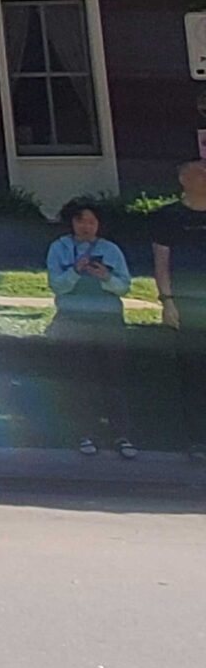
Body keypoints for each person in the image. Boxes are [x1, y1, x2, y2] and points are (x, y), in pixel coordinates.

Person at [46, 199, 136, 457]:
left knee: (113, 379)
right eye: (81, 221)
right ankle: (85, 434)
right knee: (79, 378)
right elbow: (57, 285)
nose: (86, 227)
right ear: (71, 222)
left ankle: (122, 436)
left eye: (92, 222)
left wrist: (105, 277)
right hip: (73, 321)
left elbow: (124, 286)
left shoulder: (111, 250)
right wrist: (76, 270)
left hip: (108, 322)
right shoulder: (59, 248)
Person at [148, 159, 206, 463]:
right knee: (194, 373)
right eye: (202, 173)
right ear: (185, 180)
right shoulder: (169, 217)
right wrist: (167, 300)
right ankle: (198, 440)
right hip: (188, 305)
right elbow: (161, 261)